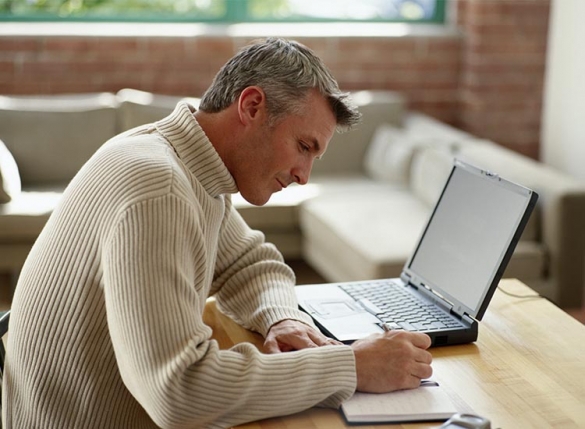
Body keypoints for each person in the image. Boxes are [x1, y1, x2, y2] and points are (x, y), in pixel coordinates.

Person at [3, 37, 432, 428]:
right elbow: (181, 390)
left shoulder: (189, 168)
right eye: (304, 147)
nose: (304, 175)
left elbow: (253, 263)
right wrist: (351, 367)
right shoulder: (160, 187)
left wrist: (281, 318)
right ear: (251, 107)